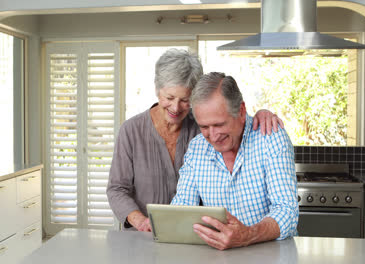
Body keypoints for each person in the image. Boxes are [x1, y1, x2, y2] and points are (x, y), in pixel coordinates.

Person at [106, 49, 284, 232]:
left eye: (185, 100)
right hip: (144, 235)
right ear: (157, 90)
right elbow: (117, 189)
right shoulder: (131, 130)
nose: (176, 107)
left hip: (195, 237)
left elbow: (230, 116)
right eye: (169, 98)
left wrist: (260, 115)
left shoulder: (203, 127)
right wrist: (141, 222)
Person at [171, 72, 298, 250]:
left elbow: (287, 211)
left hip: (271, 256)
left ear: (241, 111)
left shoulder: (270, 138)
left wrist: (247, 235)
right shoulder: (197, 148)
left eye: (219, 125)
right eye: (204, 127)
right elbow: (182, 206)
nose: (213, 136)